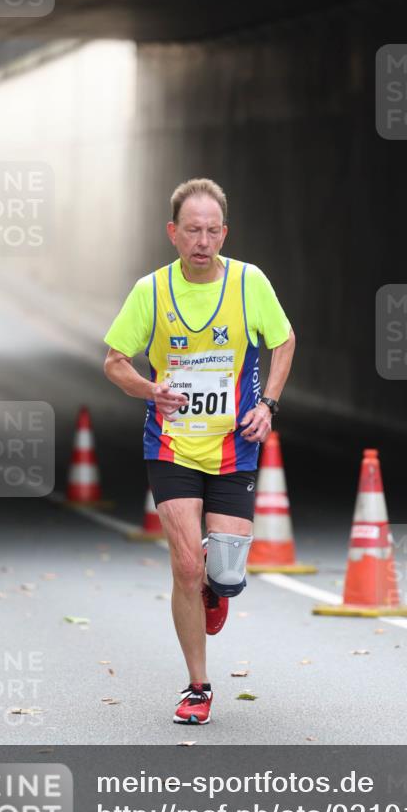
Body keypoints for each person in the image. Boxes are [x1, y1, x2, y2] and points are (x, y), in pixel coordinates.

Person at [103, 178, 295, 724]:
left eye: (213, 231)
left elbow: (283, 340)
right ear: (173, 233)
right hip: (171, 445)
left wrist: (270, 404)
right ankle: (198, 686)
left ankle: (220, 587)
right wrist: (149, 389)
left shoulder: (248, 283)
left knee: (225, 573)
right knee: (186, 566)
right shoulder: (152, 292)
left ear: (224, 233)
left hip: (236, 445)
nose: (203, 241)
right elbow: (115, 361)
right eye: (192, 230)